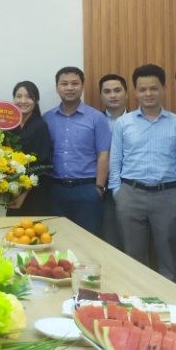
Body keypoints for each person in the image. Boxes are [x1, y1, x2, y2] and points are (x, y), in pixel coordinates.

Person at [108, 64, 176, 282]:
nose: (148, 93)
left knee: (168, 257)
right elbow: (115, 159)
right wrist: (117, 191)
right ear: (135, 91)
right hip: (130, 194)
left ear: (163, 89)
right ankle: (137, 298)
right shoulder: (124, 123)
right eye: (142, 89)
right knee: (133, 256)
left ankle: (169, 298)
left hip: (167, 196)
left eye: (153, 88)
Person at [43, 66, 111, 236]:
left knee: (89, 239)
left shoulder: (96, 117)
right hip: (55, 189)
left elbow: (103, 154)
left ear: (82, 86)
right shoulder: (47, 118)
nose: (69, 88)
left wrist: (99, 188)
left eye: (75, 83)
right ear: (57, 87)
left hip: (87, 189)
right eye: (64, 84)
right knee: (57, 238)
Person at [7, 81, 52, 217]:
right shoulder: (8, 125)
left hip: (33, 193)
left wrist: (23, 194)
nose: (23, 101)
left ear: (36, 100)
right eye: (18, 96)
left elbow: (42, 165)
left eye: (28, 97)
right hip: (8, 190)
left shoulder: (40, 126)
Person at [98, 73, 128, 249]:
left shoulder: (137, 119)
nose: (113, 95)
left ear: (126, 93)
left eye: (117, 90)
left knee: (132, 241)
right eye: (107, 91)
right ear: (101, 95)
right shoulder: (95, 119)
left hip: (131, 187)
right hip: (103, 188)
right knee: (109, 240)